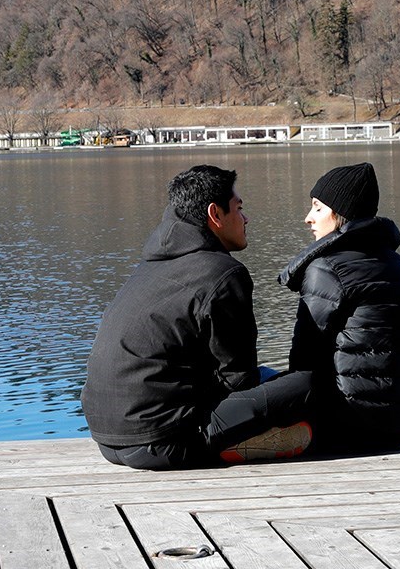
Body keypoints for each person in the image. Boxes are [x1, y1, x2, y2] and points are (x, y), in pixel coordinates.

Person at [82, 165, 313, 470]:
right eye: (239, 208)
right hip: (166, 442)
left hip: (108, 439)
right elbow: (239, 378)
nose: (246, 219)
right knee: (308, 383)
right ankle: (242, 445)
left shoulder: (152, 266)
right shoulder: (222, 272)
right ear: (215, 215)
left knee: (272, 379)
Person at [278, 161, 400, 453]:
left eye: (318, 207)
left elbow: (303, 360)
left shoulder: (327, 267)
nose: (308, 218)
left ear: (340, 213)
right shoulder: (396, 263)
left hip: (349, 424)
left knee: (259, 384)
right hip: (399, 425)